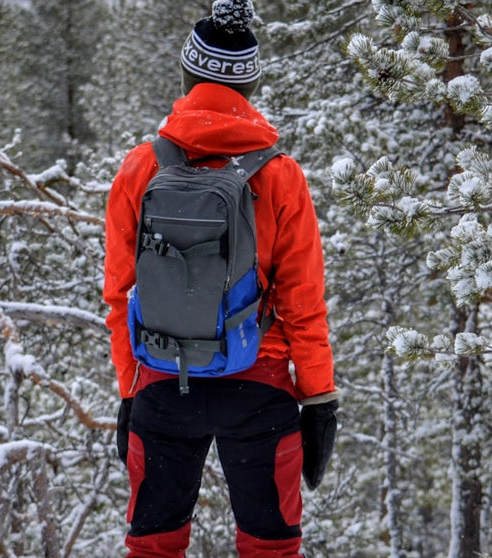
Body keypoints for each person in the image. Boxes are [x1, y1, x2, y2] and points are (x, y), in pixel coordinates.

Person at [103, 1, 339, 556]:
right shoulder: (281, 176)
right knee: (270, 549)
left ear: (187, 77)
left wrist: (128, 389)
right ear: (249, 87)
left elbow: (119, 293)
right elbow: (302, 301)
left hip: (162, 379)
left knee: (153, 547)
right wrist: (319, 397)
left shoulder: (142, 167)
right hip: (259, 386)